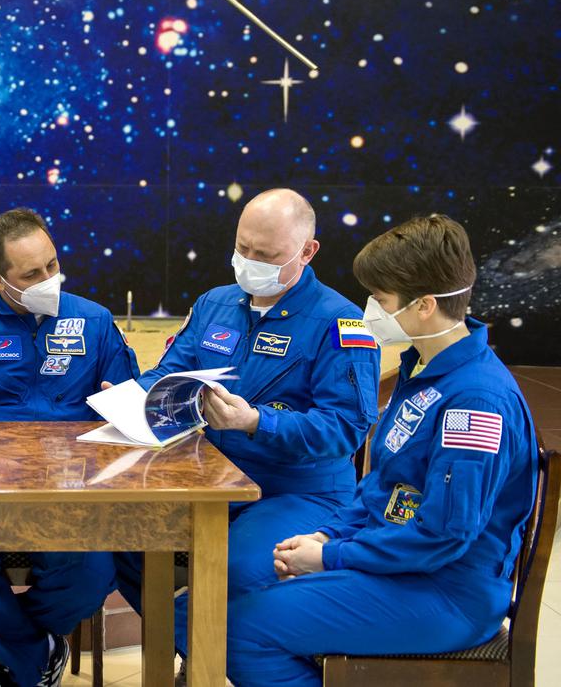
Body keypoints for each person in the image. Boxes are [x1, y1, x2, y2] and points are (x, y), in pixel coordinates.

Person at [225, 214, 537, 685]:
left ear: (425, 305)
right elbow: (380, 489)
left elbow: (444, 535)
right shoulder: (425, 371)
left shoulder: (475, 402)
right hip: (398, 565)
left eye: (381, 299)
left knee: (235, 630)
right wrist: (329, 536)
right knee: (202, 604)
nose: (369, 308)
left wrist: (331, 558)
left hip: (443, 591)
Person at [114, 188, 381, 660]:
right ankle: (200, 652)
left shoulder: (340, 322)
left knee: (233, 570)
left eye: (266, 255)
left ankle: (205, 653)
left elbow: (345, 428)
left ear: (307, 251)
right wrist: (130, 402)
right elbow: (167, 372)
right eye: (243, 249)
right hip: (210, 481)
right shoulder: (215, 303)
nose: (249, 262)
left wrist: (256, 422)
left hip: (295, 490)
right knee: (128, 546)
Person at [0, 207, 137, 687]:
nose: (48, 279)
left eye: (52, 266)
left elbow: (131, 413)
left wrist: (119, 407)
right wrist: (5, 462)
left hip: (72, 492)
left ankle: (18, 655)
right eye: (32, 274)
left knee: (92, 573)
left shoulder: (97, 322)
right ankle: (38, 653)